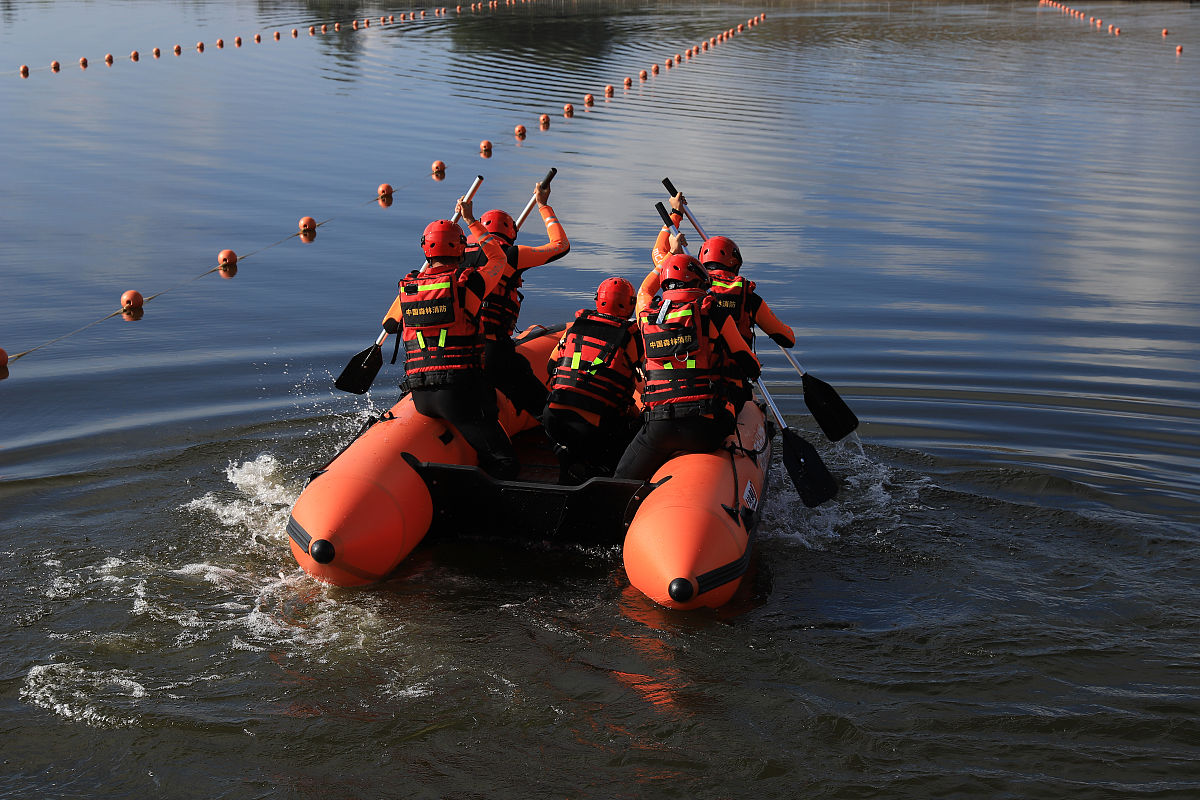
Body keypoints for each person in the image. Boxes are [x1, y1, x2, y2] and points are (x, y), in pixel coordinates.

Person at [380, 196, 519, 479]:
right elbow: (499, 258)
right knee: (507, 463)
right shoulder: (470, 283)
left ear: (425, 249)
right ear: (461, 248)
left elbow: (390, 324)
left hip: (420, 395)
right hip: (458, 394)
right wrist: (471, 220)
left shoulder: (408, 288)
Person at [637, 192, 796, 412]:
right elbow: (786, 339)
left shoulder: (676, 297)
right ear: (735, 264)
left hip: (672, 392)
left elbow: (658, 257)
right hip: (726, 389)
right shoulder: (745, 297)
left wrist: (675, 214)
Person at [613, 254, 762, 482]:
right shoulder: (714, 312)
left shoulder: (647, 318)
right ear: (699, 282)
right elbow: (750, 364)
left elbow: (644, 292)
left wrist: (666, 257)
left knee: (621, 478)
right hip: (705, 428)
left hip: (659, 426)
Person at [463, 180, 571, 419]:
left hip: (457, 348)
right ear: (510, 233)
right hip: (492, 349)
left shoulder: (456, 255)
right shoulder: (511, 255)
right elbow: (561, 246)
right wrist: (543, 205)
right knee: (543, 408)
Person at [543, 277, 643, 483]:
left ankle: (567, 455)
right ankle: (599, 471)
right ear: (630, 304)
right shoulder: (632, 337)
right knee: (635, 430)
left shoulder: (575, 328)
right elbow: (648, 380)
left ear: (598, 300)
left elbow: (550, 367)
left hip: (552, 418)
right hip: (593, 425)